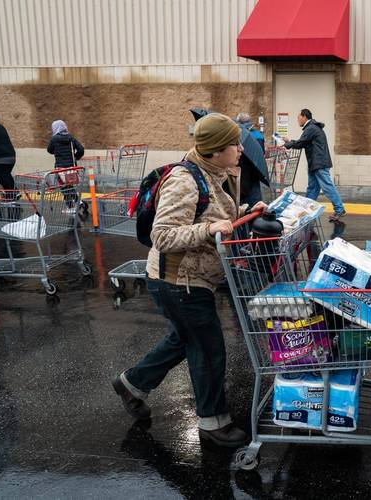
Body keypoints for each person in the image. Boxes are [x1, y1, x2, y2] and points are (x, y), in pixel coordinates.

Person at [113, 113, 267, 448]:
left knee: (184, 339)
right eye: (234, 144)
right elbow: (163, 235)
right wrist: (209, 229)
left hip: (192, 277)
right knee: (208, 347)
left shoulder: (217, 173)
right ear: (214, 151)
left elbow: (212, 213)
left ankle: (131, 384)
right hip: (178, 281)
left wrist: (246, 210)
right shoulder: (185, 180)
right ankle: (214, 423)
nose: (241, 149)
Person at [283, 109, 346, 221]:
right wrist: (291, 141)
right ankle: (307, 210)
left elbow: (301, 143)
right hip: (315, 163)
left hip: (319, 163)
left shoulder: (311, 128)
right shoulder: (312, 127)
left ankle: (339, 209)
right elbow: (303, 142)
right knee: (312, 188)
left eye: (298, 117)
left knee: (327, 187)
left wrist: (288, 143)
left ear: (304, 117)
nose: (298, 120)